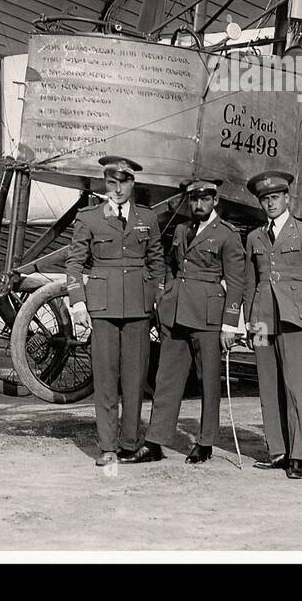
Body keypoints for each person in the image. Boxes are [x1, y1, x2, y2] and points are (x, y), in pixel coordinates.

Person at [128, 177, 247, 464]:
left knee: (208, 381)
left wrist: (230, 325)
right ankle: (155, 442)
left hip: (207, 317)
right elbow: (170, 264)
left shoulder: (228, 235)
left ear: (215, 201)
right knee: (166, 379)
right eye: (194, 199)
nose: (198, 204)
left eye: (204, 199)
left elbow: (237, 282)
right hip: (176, 312)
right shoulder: (182, 229)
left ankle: (205, 442)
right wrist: (164, 293)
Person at [66, 155, 166, 467]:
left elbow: (157, 262)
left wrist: (155, 298)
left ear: (133, 184)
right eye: (113, 182)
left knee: (135, 379)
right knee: (107, 378)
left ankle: (130, 444)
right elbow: (74, 262)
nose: (118, 188)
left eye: (124, 182)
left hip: (137, 306)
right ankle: (108, 446)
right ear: (106, 183)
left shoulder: (147, 218)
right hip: (103, 306)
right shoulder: (90, 218)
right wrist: (79, 302)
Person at [241, 170, 302, 480]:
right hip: (263, 321)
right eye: (265, 199)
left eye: (275, 198)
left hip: (295, 320)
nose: (270, 204)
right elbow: (250, 282)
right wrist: (249, 322)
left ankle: (297, 455)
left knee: (295, 389)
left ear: (287, 199)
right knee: (268, 387)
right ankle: (277, 451)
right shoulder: (254, 237)